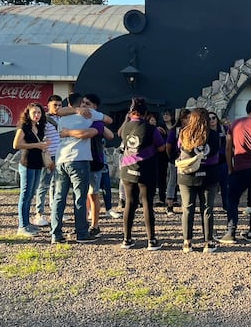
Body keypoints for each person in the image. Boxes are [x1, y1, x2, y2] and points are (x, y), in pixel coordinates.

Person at [50, 92, 106, 244]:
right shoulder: (88, 114)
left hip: (61, 159)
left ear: (68, 103)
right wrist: (92, 114)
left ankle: (55, 233)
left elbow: (57, 111)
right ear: (81, 103)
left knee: (59, 198)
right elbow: (108, 119)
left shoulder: (62, 117)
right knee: (80, 198)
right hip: (79, 159)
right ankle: (81, 233)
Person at [219, 98, 251, 244]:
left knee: (233, 199)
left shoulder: (235, 124)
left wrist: (230, 167)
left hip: (240, 167)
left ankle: (231, 232)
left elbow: (228, 148)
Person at [118, 97, 166, 250]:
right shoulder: (152, 129)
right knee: (147, 203)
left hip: (127, 169)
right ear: (146, 113)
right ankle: (151, 240)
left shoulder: (125, 127)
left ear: (130, 112)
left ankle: (127, 239)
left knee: (130, 203)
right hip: (146, 169)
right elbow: (161, 148)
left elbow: (121, 138)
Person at [177, 108, 221, 253]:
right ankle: (208, 242)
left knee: (187, 208)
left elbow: (179, 149)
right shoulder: (214, 135)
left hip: (187, 175)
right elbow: (215, 157)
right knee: (207, 209)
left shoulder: (183, 133)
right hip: (209, 175)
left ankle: (187, 242)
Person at [81, 93, 114, 238]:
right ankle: (83, 222)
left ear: (95, 107)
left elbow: (110, 134)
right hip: (80, 160)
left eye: (87, 103)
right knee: (82, 194)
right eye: (82, 103)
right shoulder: (77, 118)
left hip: (95, 161)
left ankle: (94, 225)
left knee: (93, 194)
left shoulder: (97, 121)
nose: (84, 106)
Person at [12, 103, 48, 236]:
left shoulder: (39, 127)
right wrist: (37, 145)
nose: (37, 115)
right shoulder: (24, 127)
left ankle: (27, 223)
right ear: (28, 114)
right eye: (34, 113)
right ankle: (22, 226)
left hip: (38, 164)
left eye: (39, 112)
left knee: (32, 194)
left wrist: (44, 145)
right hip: (27, 163)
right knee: (25, 194)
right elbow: (16, 144)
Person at [33, 94, 62, 227]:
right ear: (48, 105)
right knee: (43, 185)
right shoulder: (44, 120)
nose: (58, 107)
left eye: (60, 105)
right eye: (55, 105)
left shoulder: (63, 119)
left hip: (61, 156)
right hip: (50, 156)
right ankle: (39, 213)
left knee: (58, 186)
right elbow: (40, 137)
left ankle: (54, 211)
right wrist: (46, 152)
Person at [165, 108, 190, 216]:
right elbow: (168, 145)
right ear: (182, 118)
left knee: (186, 182)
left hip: (187, 160)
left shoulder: (191, 130)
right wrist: (171, 157)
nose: (189, 120)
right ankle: (169, 205)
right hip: (175, 159)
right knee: (172, 181)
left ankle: (186, 204)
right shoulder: (174, 130)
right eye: (187, 118)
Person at [208, 111, 230, 212]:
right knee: (210, 186)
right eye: (209, 119)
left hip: (222, 160)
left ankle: (226, 205)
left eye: (213, 118)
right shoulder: (205, 132)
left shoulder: (223, 129)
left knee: (224, 185)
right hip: (210, 162)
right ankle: (208, 206)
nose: (212, 120)